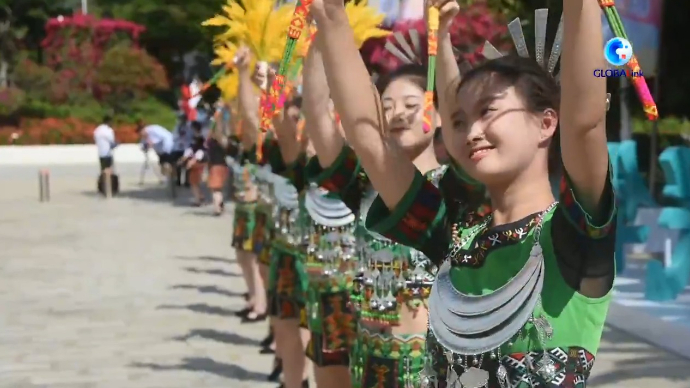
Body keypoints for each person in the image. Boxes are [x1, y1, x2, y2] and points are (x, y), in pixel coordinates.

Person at [312, 0, 616, 387]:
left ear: (546, 122)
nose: (472, 130)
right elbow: (370, 141)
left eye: (488, 111)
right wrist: (333, 20)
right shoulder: (453, 233)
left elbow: (585, 122)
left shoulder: (572, 236)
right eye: (460, 120)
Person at [303, 32, 444, 388]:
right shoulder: (365, 186)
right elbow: (319, 115)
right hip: (368, 361)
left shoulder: (458, 191)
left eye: (411, 106)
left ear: (440, 115)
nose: (398, 115)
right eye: (387, 107)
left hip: (430, 367)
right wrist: (320, 35)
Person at [179, 121, 207, 206]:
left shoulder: (198, 138)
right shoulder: (202, 136)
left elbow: (195, 151)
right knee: (196, 181)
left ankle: (197, 200)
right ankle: (200, 196)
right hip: (201, 162)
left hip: (196, 163)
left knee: (193, 183)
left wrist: (189, 161)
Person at [171, 113, 191, 187]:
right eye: (181, 119)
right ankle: (178, 180)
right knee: (177, 164)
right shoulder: (176, 127)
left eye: (183, 119)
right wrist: (179, 135)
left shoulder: (189, 127)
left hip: (186, 148)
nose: (182, 121)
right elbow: (173, 137)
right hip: (178, 148)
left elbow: (190, 137)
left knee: (187, 165)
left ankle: (187, 181)